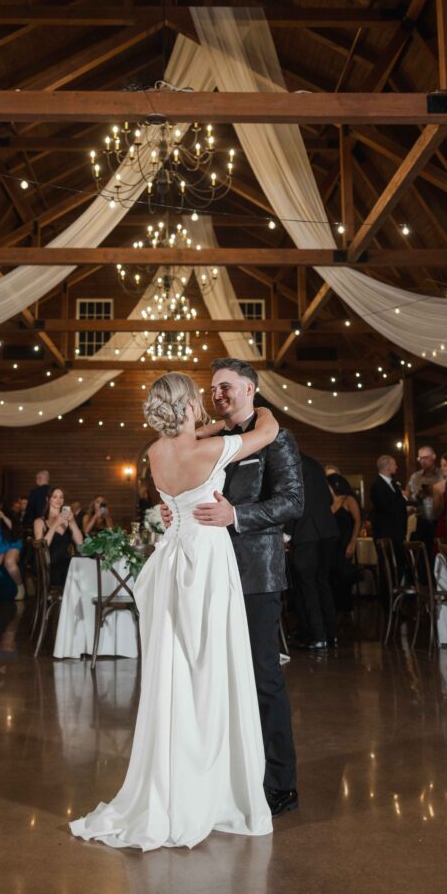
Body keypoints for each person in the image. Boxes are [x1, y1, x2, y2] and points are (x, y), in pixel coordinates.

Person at [70, 370, 281, 850]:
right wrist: (257, 406)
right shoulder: (209, 451)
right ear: (187, 406)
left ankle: (174, 783)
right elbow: (265, 432)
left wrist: (204, 428)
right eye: (197, 404)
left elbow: (184, 457)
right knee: (214, 671)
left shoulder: (155, 453)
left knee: (175, 675)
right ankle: (214, 788)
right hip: (206, 561)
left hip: (171, 559)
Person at [193, 358, 303, 817]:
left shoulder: (276, 437)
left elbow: (293, 502)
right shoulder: (216, 441)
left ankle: (280, 782)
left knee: (262, 677)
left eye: (227, 387)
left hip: (257, 575)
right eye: (214, 388)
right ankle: (229, 773)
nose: (218, 394)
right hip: (211, 573)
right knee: (217, 676)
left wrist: (236, 516)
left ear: (250, 390)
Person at [288, 455, 340, 651]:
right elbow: (328, 499)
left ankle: (317, 636)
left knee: (307, 586)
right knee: (322, 583)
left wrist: (287, 532)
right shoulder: (315, 463)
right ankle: (331, 634)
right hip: (327, 530)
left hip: (306, 532)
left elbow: (292, 499)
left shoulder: (290, 463)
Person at [325, 465, 362, 612]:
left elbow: (358, 521)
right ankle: (333, 612)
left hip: (344, 544)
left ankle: (345, 612)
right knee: (331, 578)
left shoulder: (348, 499)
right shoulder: (326, 502)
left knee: (343, 578)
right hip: (330, 545)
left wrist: (352, 543)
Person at [370, 454, 408, 588]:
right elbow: (386, 507)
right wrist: (404, 498)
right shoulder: (377, 486)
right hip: (385, 534)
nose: (396, 467)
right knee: (387, 568)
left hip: (397, 533)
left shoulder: (393, 484)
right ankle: (387, 601)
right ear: (387, 467)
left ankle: (397, 594)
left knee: (400, 564)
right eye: (394, 464)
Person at [33, 488, 83, 586]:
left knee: (81, 570)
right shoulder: (40, 521)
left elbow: (80, 543)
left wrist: (72, 521)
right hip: (48, 564)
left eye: (61, 497)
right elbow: (41, 547)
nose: (58, 500)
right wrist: (56, 523)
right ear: (48, 499)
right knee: (68, 574)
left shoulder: (68, 520)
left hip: (66, 562)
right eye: (55, 497)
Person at [406, 445, 443, 557]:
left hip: (439, 520)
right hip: (422, 521)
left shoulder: (442, 475)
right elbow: (408, 496)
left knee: (439, 554)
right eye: (420, 458)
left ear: (434, 457)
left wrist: (435, 491)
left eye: (426, 457)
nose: (423, 461)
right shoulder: (415, 477)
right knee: (422, 556)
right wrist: (418, 496)